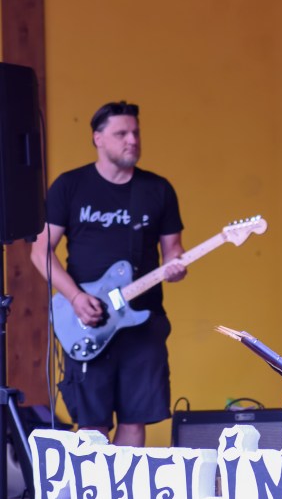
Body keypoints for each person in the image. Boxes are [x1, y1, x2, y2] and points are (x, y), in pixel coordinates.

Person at [31, 100, 187, 447]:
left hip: (143, 319)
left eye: (135, 133)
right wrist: (75, 297)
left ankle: (124, 484)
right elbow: (40, 250)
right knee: (92, 424)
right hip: (88, 319)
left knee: (135, 418)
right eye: (121, 134)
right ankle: (94, 485)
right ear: (97, 138)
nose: (132, 140)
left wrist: (176, 267)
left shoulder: (157, 189)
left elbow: (173, 250)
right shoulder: (70, 186)